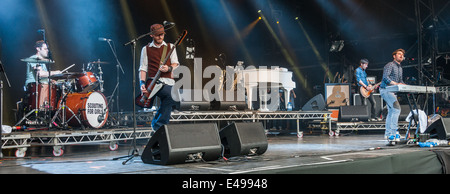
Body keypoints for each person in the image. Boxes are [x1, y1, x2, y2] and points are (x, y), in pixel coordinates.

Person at [139, 23, 179, 131]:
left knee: (174, 97)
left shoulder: (171, 47)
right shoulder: (146, 49)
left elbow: (176, 63)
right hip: (153, 82)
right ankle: (159, 126)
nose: (160, 37)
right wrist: (142, 83)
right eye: (157, 35)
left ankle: (158, 124)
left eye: (162, 34)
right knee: (170, 95)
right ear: (151, 35)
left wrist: (169, 68)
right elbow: (143, 68)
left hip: (169, 82)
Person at [379, 49, 406, 143]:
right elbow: (385, 77)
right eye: (399, 54)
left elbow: (400, 81)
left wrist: (405, 86)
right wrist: (396, 84)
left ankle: (388, 134)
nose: (401, 55)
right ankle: (393, 133)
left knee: (391, 112)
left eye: (402, 54)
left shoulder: (400, 68)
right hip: (386, 89)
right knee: (397, 109)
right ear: (394, 56)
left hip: (392, 91)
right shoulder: (390, 65)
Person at [24, 40, 60, 109]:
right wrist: (55, 72)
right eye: (45, 49)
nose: (47, 51)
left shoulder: (42, 62)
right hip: (34, 87)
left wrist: (51, 80)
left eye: (47, 49)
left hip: (42, 86)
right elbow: (40, 74)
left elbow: (45, 76)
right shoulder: (33, 58)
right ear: (38, 49)